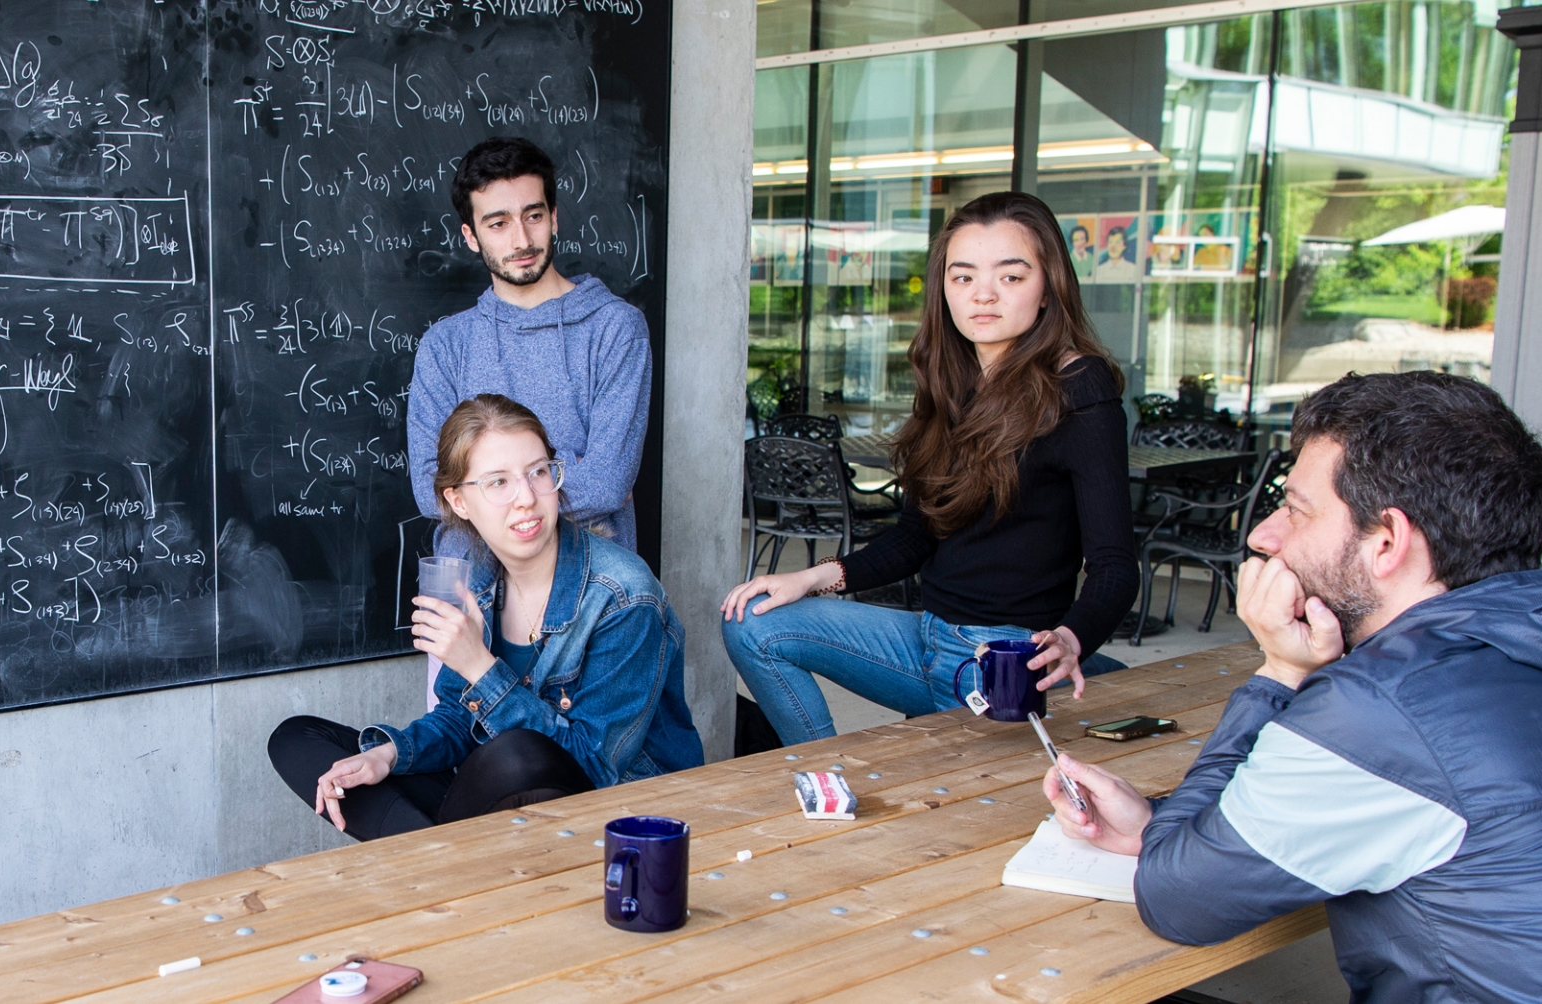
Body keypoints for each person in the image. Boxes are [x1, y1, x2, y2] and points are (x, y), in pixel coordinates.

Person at [1040, 373, 1542, 1001]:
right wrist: (1157, 823)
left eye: (1294, 509)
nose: (1264, 536)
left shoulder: (1382, 704)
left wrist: (1281, 672)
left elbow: (1178, 899)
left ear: (1389, 541)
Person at [718, 191, 1136, 745]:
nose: (982, 294)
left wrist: (1071, 638)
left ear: (1049, 286)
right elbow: (918, 537)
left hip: (1004, 658)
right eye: (963, 277)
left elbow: (1114, 565)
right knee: (752, 620)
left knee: (1122, 702)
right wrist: (812, 577)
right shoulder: (955, 379)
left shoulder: (1080, 388)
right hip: (927, 636)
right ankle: (823, 771)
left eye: (1010, 277)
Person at [273, 395, 699, 840]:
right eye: (498, 482)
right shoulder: (478, 578)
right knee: (298, 738)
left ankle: (437, 862)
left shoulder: (624, 595)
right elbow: (459, 719)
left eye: (538, 472)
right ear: (458, 501)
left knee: (516, 753)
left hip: (613, 816)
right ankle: (443, 861)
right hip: (499, 798)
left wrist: (478, 664)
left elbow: (593, 766)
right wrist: (389, 756)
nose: (527, 499)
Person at [407, 137, 650, 552]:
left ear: (554, 218)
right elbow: (432, 490)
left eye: (533, 215)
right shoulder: (445, 347)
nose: (521, 240)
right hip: (473, 586)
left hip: (590, 584)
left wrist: (485, 488)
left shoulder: (615, 328)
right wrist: (567, 470)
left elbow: (608, 483)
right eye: (498, 223)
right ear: (471, 235)